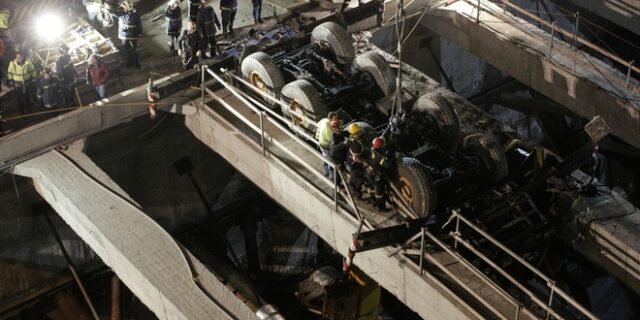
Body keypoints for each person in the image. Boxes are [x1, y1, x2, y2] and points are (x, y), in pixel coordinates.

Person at [365, 137, 393, 211]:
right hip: (375, 174)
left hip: (369, 171)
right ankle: (381, 208)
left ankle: (373, 201)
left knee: (372, 188)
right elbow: (386, 164)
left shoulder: (372, 150)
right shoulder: (379, 156)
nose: (384, 145)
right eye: (382, 144)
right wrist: (392, 159)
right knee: (379, 193)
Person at [117, 1, 143, 68]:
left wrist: (139, 33)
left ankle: (136, 63)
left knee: (134, 49)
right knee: (127, 49)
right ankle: (130, 62)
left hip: (132, 34)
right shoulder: (120, 13)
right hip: (123, 34)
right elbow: (114, 13)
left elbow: (139, 24)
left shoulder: (135, 14)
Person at [345, 123, 368, 199]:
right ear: (354, 133)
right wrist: (363, 162)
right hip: (354, 164)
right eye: (358, 131)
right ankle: (356, 194)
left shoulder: (354, 140)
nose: (360, 132)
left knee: (355, 178)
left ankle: (355, 190)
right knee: (358, 179)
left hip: (352, 162)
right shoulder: (356, 145)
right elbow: (355, 158)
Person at [315, 112, 340, 178]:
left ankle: (325, 172)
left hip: (321, 142)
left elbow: (317, 124)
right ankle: (332, 177)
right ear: (331, 118)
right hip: (325, 145)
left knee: (325, 157)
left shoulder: (324, 120)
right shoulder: (327, 127)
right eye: (336, 118)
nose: (337, 120)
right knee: (331, 161)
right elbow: (332, 140)